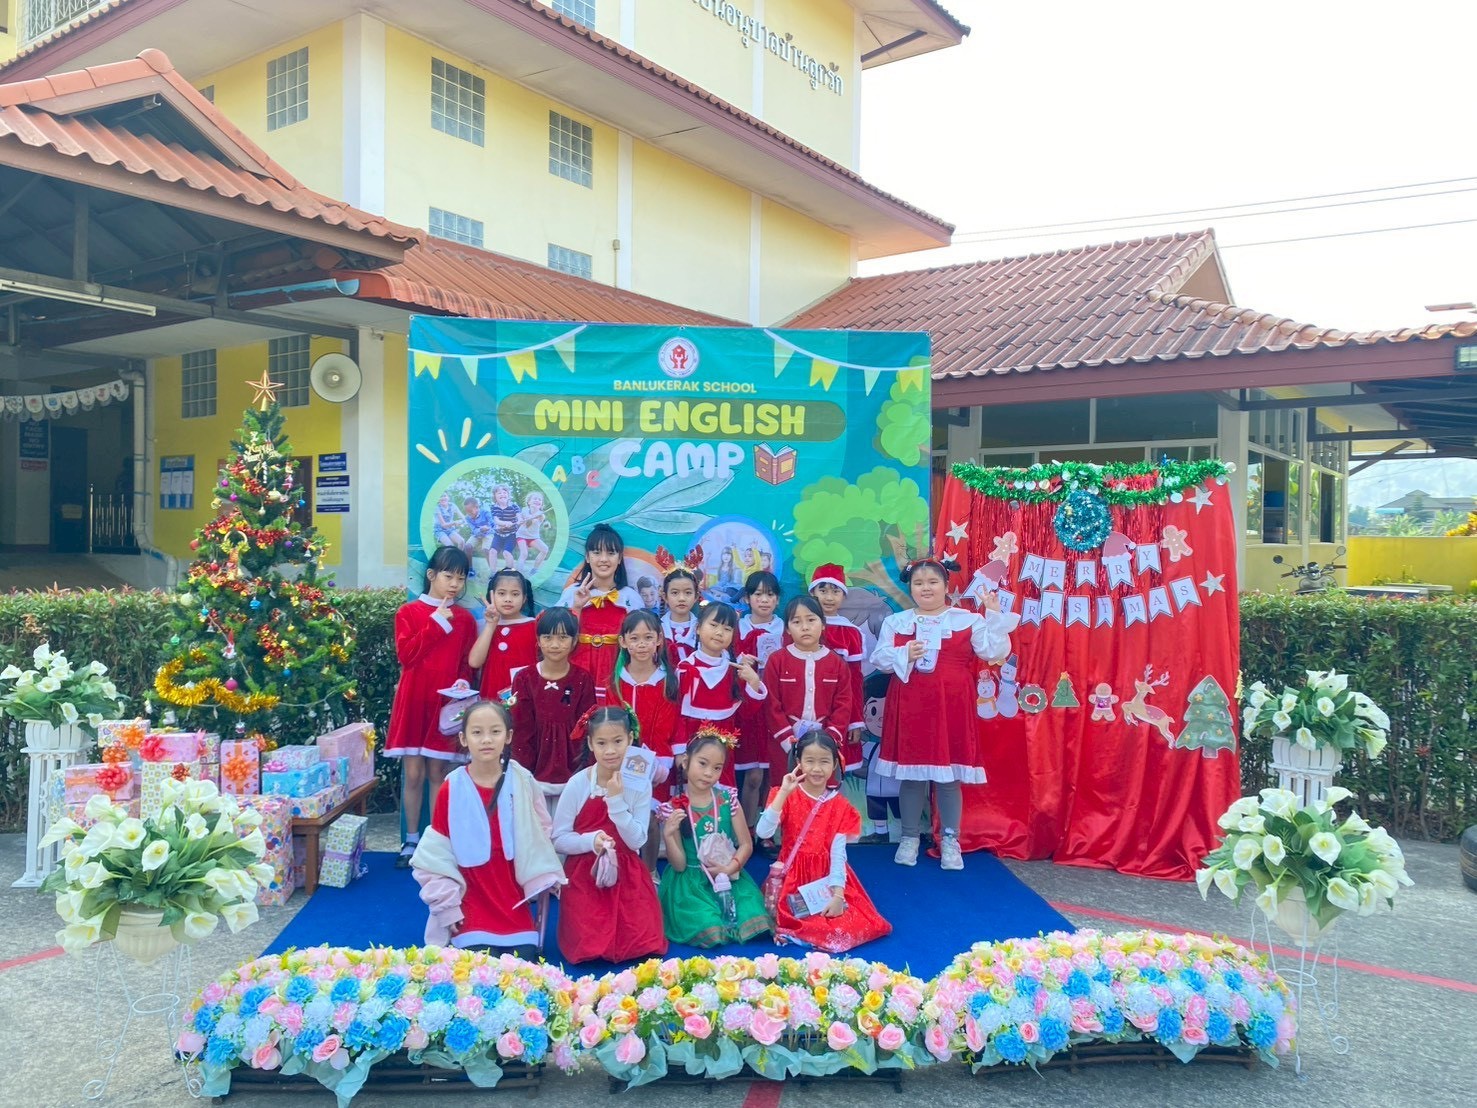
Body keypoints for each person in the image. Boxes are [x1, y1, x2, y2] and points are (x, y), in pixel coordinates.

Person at [871, 555, 1018, 871]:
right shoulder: (897, 623)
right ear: (910, 588)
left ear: (946, 585)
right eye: (918, 583)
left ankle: (951, 840)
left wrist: (993, 614)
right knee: (911, 776)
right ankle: (910, 837)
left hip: (951, 706)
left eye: (932, 582)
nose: (926, 588)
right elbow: (880, 660)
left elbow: (994, 652)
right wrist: (904, 653)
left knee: (949, 777)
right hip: (910, 705)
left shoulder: (967, 620)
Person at [410, 699, 564, 957]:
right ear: (463, 738)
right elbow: (436, 854)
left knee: (523, 966)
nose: (486, 740)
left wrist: (541, 874)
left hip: (512, 900)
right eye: (477, 732)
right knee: (475, 969)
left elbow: (542, 831)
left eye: (495, 731)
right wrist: (448, 907)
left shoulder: (523, 780)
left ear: (508, 736)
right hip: (471, 899)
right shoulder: (452, 787)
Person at [551, 706, 668, 963]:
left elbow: (637, 840)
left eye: (618, 741)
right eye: (602, 743)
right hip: (585, 875)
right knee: (588, 945)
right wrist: (590, 841)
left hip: (628, 873)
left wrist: (616, 801)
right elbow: (558, 838)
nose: (610, 750)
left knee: (643, 942)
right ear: (590, 744)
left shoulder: (639, 785)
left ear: (630, 739)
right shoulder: (579, 783)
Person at [756, 732, 891, 953]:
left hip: (827, 878)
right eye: (810, 761)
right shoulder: (786, 795)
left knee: (852, 924)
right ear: (798, 762)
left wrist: (838, 895)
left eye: (824, 761)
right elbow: (763, 832)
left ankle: (800, 935)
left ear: (835, 763)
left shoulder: (840, 806)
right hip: (793, 876)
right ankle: (796, 933)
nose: (817, 769)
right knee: (796, 918)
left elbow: (838, 855)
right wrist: (783, 793)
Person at [385, 545, 477, 867]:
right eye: (448, 576)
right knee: (413, 774)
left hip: (445, 706)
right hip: (413, 702)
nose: (454, 584)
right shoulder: (408, 613)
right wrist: (436, 622)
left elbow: (467, 664)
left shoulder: (466, 619)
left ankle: (437, 840)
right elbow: (406, 656)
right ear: (431, 575)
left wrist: (463, 682)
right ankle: (411, 840)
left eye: (461, 578)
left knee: (438, 772)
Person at [658, 730, 771, 947]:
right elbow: (679, 866)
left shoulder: (728, 800)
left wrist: (730, 868)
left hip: (729, 876)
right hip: (691, 883)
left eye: (717, 768)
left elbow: (746, 844)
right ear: (685, 762)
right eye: (702, 764)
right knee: (707, 925)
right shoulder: (674, 808)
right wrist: (669, 835)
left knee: (751, 913)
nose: (709, 773)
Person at [601, 609, 680, 876]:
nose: (642, 644)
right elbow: (611, 724)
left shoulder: (668, 681)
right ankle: (623, 869)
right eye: (634, 638)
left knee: (650, 819)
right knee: (621, 814)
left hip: (657, 761)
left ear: (659, 640)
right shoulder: (615, 682)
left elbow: (672, 724)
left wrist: (660, 761)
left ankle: (649, 872)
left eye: (648, 637)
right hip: (619, 760)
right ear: (623, 641)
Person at [762, 594, 853, 789]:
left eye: (811, 620)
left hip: (824, 747)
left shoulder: (837, 663)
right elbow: (771, 705)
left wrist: (829, 740)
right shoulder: (777, 661)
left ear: (823, 624)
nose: (805, 627)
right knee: (787, 795)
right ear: (787, 628)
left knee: (821, 796)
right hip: (784, 747)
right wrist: (789, 742)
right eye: (796, 622)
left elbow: (844, 705)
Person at [674, 602, 766, 788]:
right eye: (713, 625)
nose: (719, 632)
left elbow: (744, 715)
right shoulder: (686, 670)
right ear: (698, 628)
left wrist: (754, 683)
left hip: (724, 755)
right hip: (692, 750)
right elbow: (677, 715)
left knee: (722, 798)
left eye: (727, 628)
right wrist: (680, 751)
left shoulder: (735, 672)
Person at [510, 606, 597, 800]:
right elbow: (521, 729)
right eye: (548, 637)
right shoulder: (525, 678)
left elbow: (587, 729)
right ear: (538, 640)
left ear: (574, 640)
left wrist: (584, 770)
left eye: (563, 637)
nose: (555, 644)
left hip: (573, 770)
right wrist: (523, 772)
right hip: (533, 771)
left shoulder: (583, 678)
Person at [559, 523, 642, 701]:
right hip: (576, 668)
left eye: (611, 553)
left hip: (616, 670)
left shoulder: (631, 598)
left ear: (619, 558)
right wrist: (577, 607)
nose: (604, 559)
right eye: (597, 552)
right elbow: (557, 635)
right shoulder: (571, 593)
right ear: (587, 557)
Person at [735, 571, 784, 828]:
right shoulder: (736, 628)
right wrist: (740, 662)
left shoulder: (785, 628)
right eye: (758, 594)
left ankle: (767, 832)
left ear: (778, 599)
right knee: (753, 774)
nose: (764, 600)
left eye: (770, 594)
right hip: (748, 708)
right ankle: (747, 831)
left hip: (777, 706)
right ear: (747, 598)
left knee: (772, 774)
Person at [806, 564, 865, 771]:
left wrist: (855, 722)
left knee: (833, 767)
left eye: (835, 591)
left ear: (844, 595)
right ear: (812, 592)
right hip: (804, 709)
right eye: (822, 590)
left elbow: (855, 679)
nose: (829, 597)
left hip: (839, 710)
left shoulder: (850, 632)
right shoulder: (801, 626)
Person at [470, 568, 537, 702]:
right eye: (501, 593)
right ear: (492, 596)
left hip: (525, 696)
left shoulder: (534, 626)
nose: (508, 599)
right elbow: (474, 662)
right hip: (491, 697)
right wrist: (491, 625)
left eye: (515, 594)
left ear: (524, 598)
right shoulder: (486, 626)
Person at [657, 549, 702, 665]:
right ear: (665, 596)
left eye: (688, 593)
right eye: (675, 593)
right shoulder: (656, 628)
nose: (681, 598)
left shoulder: (702, 629)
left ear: (696, 596)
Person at [488, 484, 520, 574]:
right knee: (492, 552)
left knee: (506, 553)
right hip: (498, 535)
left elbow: (519, 518)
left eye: (504, 492)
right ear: (495, 496)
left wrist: (519, 521)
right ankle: (493, 573)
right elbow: (496, 520)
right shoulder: (494, 507)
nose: (502, 494)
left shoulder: (514, 506)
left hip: (511, 535)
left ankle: (510, 572)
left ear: (508, 495)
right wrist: (505, 523)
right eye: (499, 493)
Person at [515, 490, 550, 574]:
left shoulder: (541, 515)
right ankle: (518, 573)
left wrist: (538, 518)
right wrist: (524, 519)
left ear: (541, 504)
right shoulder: (524, 510)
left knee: (545, 549)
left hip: (533, 537)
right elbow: (526, 521)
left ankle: (534, 570)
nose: (537, 500)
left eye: (539, 500)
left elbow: (536, 522)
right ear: (529, 502)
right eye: (535, 499)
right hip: (521, 535)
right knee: (524, 553)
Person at [460, 497, 492, 574]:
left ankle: (493, 570)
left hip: (488, 533)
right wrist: (480, 530)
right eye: (466, 511)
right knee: (467, 546)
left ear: (477, 507)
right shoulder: (468, 518)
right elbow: (473, 530)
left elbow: (492, 525)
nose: (468, 513)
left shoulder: (486, 513)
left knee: (486, 549)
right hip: (476, 534)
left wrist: (487, 528)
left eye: (470, 511)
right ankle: (470, 569)